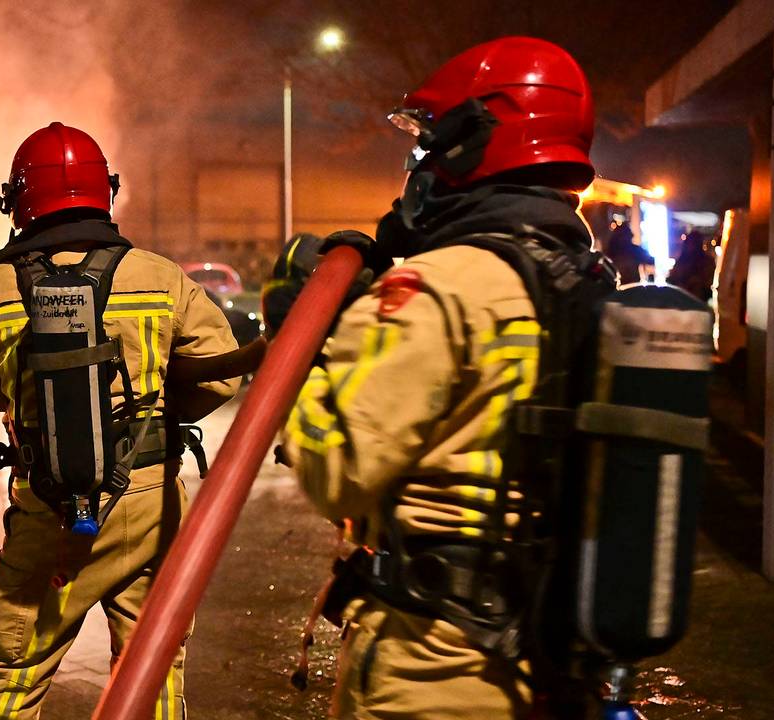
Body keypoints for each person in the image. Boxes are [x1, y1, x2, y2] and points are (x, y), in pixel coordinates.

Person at [267, 37, 613, 719]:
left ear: (474, 140)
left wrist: (298, 340)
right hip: (535, 654)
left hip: (431, 663)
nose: (417, 162)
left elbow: (337, 466)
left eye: (428, 139)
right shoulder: (578, 280)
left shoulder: (438, 287)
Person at [0, 122, 240, 719]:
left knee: (13, 670)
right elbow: (222, 374)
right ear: (105, 192)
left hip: (51, 511)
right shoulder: (161, 278)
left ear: (18, 201)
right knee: (151, 665)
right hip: (150, 499)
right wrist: (154, 420)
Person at [667, 230, 716, 302]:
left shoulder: (706, 262)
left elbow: (709, 283)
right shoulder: (682, 261)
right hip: (685, 300)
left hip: (694, 300)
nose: (692, 245)